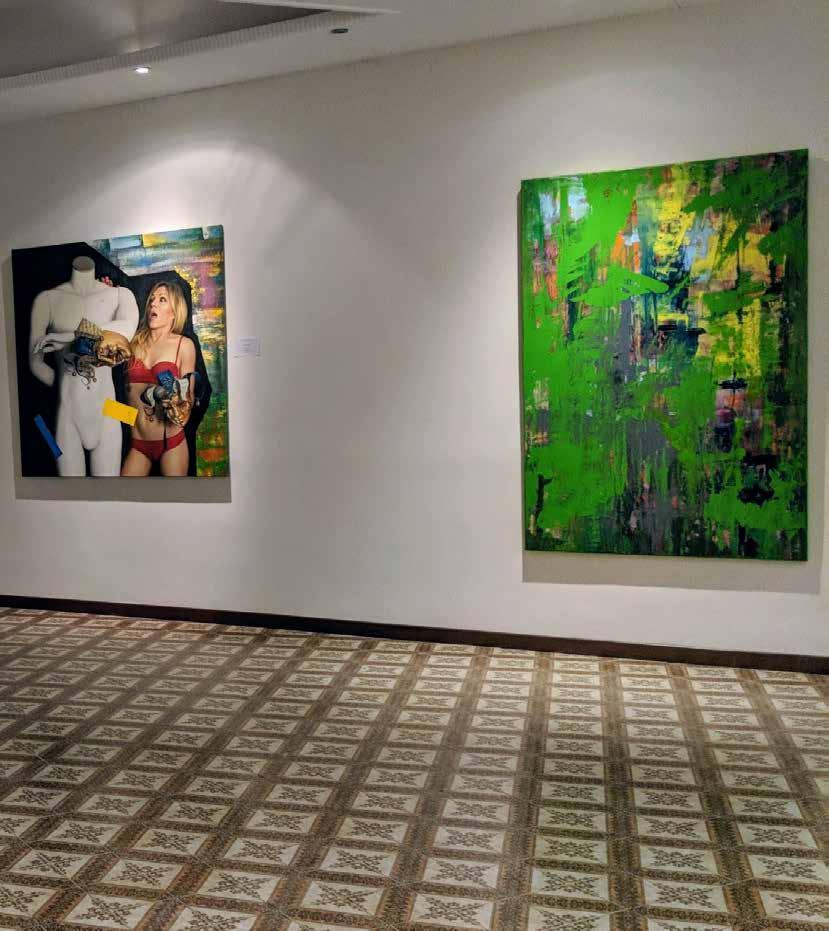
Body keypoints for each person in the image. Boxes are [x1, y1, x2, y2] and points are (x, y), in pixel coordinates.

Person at [29, 256, 138, 476]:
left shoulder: (119, 295)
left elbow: (124, 332)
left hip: (108, 410)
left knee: (110, 492)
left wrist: (68, 337)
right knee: (67, 492)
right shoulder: (47, 300)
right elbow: (35, 364)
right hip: (66, 411)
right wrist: (65, 387)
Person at [121, 281, 196, 476]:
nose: (153, 303)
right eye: (152, 299)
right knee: (120, 494)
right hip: (138, 444)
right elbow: (121, 396)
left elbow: (188, 400)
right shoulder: (132, 343)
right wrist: (123, 416)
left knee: (175, 496)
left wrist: (179, 407)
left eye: (162, 300)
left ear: (174, 311)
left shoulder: (184, 345)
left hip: (171, 443)